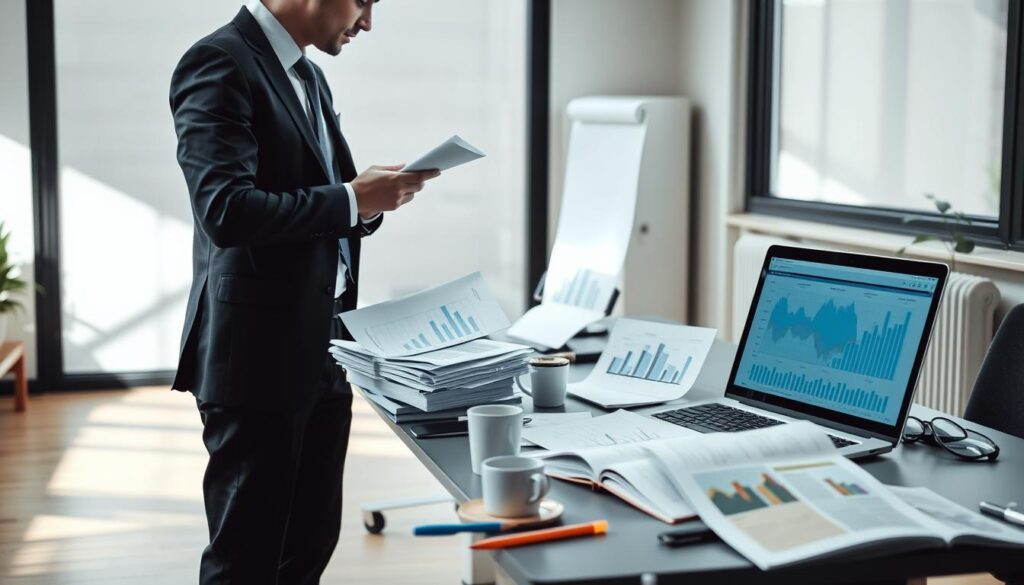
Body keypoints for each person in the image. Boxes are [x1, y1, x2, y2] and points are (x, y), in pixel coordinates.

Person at [169, 1, 439, 582]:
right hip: (256, 361)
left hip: (324, 347)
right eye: (363, 1)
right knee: (246, 559)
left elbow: (328, 194)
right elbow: (226, 210)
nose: (367, 21)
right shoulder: (219, 63)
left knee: (310, 544)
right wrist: (352, 200)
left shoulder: (308, 74)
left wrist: (370, 203)